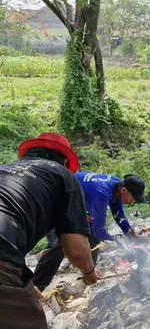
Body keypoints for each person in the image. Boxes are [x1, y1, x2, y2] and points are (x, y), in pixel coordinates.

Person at [0, 133, 100, 329]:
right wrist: (89, 272)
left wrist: (26, 284)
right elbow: (76, 249)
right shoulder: (62, 176)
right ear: (64, 161)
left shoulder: (5, 169)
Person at [32, 172, 147, 291]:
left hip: (70, 203)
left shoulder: (118, 186)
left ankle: (89, 272)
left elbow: (118, 213)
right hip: (54, 199)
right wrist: (117, 242)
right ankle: (36, 286)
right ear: (124, 190)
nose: (132, 201)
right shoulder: (102, 191)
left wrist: (131, 234)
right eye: (133, 197)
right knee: (62, 244)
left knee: (92, 234)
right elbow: (99, 229)